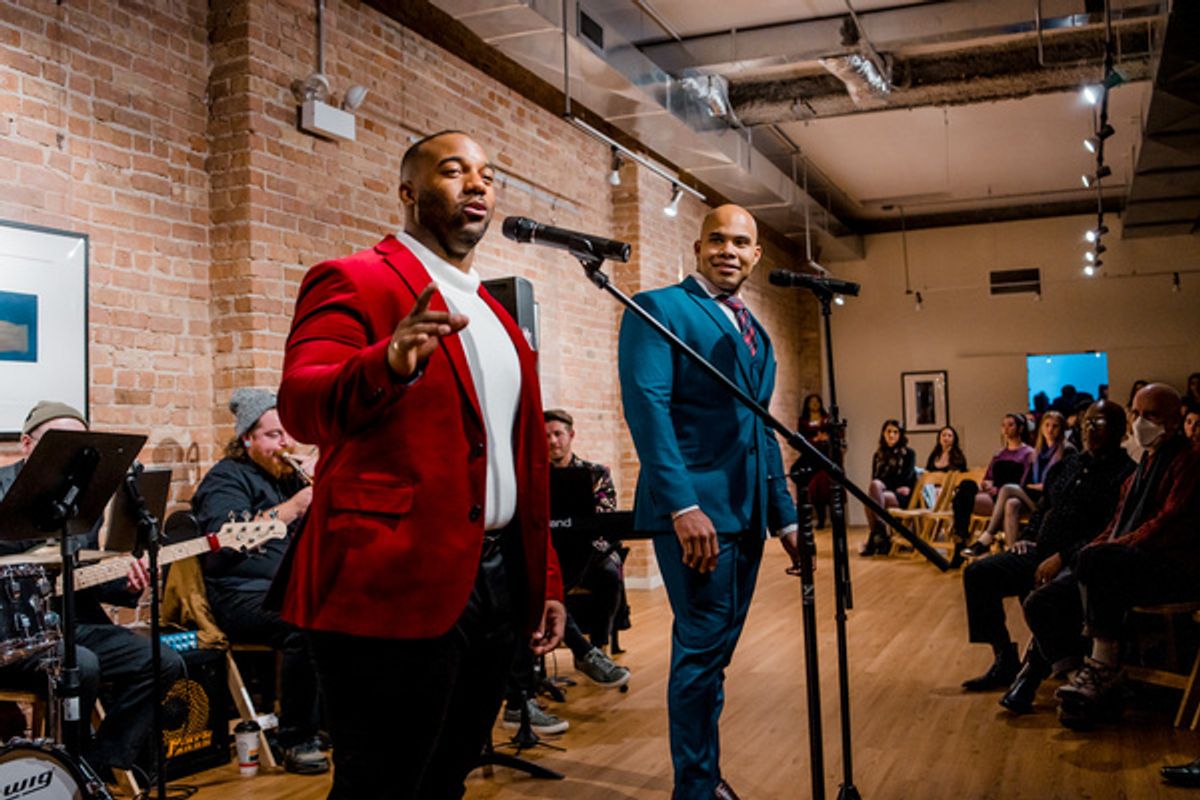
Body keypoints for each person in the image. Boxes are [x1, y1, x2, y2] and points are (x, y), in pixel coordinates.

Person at [276, 130, 565, 799]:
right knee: (380, 788)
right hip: (388, 580)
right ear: (408, 192)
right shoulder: (353, 278)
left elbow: (520, 464)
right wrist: (385, 363)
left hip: (494, 581)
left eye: (487, 175)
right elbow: (300, 406)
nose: (477, 184)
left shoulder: (496, 315)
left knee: (447, 779)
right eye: (454, 171)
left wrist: (544, 575)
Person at [619, 203, 799, 800]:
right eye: (716, 239)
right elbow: (648, 410)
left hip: (747, 514)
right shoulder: (659, 308)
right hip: (694, 518)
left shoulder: (757, 334)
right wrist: (682, 506)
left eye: (740, 242)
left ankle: (704, 775)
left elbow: (760, 429)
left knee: (715, 652)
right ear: (697, 248)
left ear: (756, 255)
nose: (728, 250)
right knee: (700, 650)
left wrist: (785, 516)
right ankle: (695, 788)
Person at [0, 401, 184, 781]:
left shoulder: (83, 499)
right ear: (27, 445)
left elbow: (83, 571)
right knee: (81, 665)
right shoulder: (4, 490)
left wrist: (125, 580)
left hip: (74, 622)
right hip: (16, 633)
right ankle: (64, 770)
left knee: (164, 661)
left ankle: (95, 766)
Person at [1022, 383, 1200, 729]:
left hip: (1172, 566)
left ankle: (1102, 666)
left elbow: (1169, 522)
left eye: (1151, 415)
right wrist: (1094, 548)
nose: (1141, 422)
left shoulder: (1188, 460)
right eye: (1137, 413)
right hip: (1124, 561)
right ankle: (1085, 679)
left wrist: (1112, 548)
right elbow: (1115, 524)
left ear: (1174, 420)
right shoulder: (1142, 466)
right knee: (1041, 602)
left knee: (1096, 560)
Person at [957, 401, 1133, 706]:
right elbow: (1043, 509)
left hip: (1081, 560)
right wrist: (1027, 538)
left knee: (1046, 595)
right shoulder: (1068, 465)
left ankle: (1036, 670)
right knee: (978, 573)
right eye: (1087, 423)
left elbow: (1110, 530)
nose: (1090, 429)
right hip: (1041, 550)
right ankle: (1004, 657)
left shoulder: (1125, 474)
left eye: (1100, 423)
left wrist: (1063, 556)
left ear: (1119, 431)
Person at [190, 388, 326, 775]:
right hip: (239, 595)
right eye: (273, 435)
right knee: (303, 623)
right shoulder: (226, 479)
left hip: (291, 587)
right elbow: (223, 540)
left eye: (289, 434)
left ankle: (336, 722)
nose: (285, 443)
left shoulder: (289, 476)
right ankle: (296, 738)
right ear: (247, 438)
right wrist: (295, 507)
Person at [501, 408, 630, 735]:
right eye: (545, 436)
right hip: (550, 555)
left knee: (608, 573)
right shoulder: (532, 476)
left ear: (570, 436)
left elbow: (604, 522)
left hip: (589, 554)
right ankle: (585, 654)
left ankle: (596, 646)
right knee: (536, 584)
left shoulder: (595, 473)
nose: (552, 441)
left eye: (557, 434)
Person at [962, 411, 1073, 558]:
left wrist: (1042, 486)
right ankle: (1011, 552)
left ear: (1062, 429)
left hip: (1049, 500)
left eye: (1055, 426)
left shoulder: (1066, 450)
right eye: (1047, 425)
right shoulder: (1038, 451)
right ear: (1041, 428)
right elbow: (1027, 480)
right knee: (1011, 503)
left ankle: (987, 536)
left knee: (1008, 488)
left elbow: (1064, 483)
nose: (1050, 430)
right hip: (1033, 495)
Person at [949, 413, 1035, 556]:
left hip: (1012, 496)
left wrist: (997, 489)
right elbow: (989, 477)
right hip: (993, 495)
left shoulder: (1028, 453)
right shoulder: (999, 454)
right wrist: (987, 484)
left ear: (1020, 428)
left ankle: (983, 539)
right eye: (1003, 425)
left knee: (1006, 500)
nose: (1006, 429)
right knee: (965, 489)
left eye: (1010, 425)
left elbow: (1024, 483)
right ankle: (961, 538)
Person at [859, 419, 917, 556]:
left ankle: (876, 537)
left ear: (900, 435)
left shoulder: (909, 453)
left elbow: (905, 478)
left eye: (895, 432)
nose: (891, 435)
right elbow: (875, 478)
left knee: (870, 501)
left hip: (901, 497)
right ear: (883, 434)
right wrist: (890, 485)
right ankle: (881, 531)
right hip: (883, 494)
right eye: (888, 431)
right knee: (874, 487)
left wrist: (887, 484)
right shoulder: (877, 455)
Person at [793, 393, 833, 528]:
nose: (815, 404)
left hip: (824, 457)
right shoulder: (803, 421)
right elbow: (801, 441)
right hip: (809, 458)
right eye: (812, 401)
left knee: (824, 487)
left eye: (817, 401)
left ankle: (828, 519)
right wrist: (815, 439)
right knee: (808, 484)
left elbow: (833, 436)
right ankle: (810, 518)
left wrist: (826, 438)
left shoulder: (827, 419)